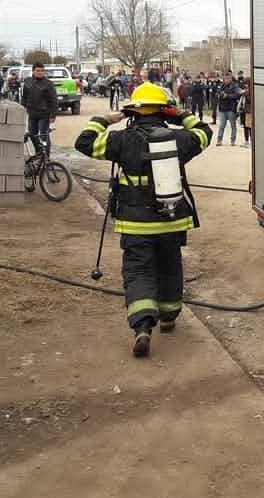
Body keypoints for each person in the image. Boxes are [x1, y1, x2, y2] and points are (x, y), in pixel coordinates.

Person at [74, 83, 212, 357]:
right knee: (170, 265)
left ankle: (142, 328)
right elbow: (204, 133)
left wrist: (105, 119)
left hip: (135, 223)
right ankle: (169, 317)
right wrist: (179, 116)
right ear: (163, 111)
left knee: (138, 271)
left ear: (134, 112)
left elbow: (84, 142)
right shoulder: (179, 140)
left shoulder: (120, 140)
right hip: (172, 219)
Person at [22, 63, 58, 155]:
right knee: (32, 135)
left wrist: (53, 114)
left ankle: (46, 157)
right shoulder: (27, 82)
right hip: (32, 114)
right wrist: (23, 108)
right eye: (38, 71)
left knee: (43, 136)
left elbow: (53, 99)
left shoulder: (48, 84)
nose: (40, 73)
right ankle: (38, 154)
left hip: (44, 114)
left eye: (42, 71)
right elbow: (24, 97)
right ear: (33, 71)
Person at [216, 72, 241, 146]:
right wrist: (221, 94)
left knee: (233, 125)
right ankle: (219, 140)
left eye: (227, 78)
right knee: (221, 125)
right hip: (222, 109)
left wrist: (228, 96)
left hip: (231, 108)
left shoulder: (235, 86)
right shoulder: (222, 85)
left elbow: (237, 95)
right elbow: (217, 93)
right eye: (225, 79)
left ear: (231, 78)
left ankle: (233, 140)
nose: (226, 80)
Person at [239, 78, 253, 148]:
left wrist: (244, 93)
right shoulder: (246, 90)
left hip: (249, 112)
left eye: (246, 84)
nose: (245, 86)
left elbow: (250, 99)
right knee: (245, 126)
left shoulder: (252, 91)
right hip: (244, 111)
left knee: (249, 127)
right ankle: (246, 141)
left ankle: (252, 142)